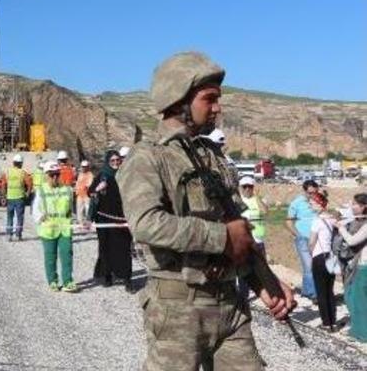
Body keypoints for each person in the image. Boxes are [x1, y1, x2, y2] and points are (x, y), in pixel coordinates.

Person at [117, 52, 295, 370]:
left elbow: (238, 230)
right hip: (177, 311)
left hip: (229, 304)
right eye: (209, 98)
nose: (217, 107)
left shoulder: (212, 157)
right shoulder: (147, 158)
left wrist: (265, 283)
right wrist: (219, 237)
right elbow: (145, 223)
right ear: (178, 99)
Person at [88, 150, 133, 292]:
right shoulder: (103, 175)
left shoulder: (126, 175)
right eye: (112, 161)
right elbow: (90, 192)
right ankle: (107, 275)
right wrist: (98, 188)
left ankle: (127, 279)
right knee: (105, 247)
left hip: (121, 218)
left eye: (118, 160)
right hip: (104, 218)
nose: (115, 163)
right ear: (108, 162)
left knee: (124, 248)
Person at [32, 161, 77, 293]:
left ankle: (68, 281)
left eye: (57, 174)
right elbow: (35, 210)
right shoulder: (41, 191)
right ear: (46, 175)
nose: (55, 177)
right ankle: (53, 281)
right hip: (48, 229)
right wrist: (40, 218)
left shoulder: (67, 190)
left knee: (66, 254)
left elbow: (70, 209)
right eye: (52, 175)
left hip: (64, 228)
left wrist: (75, 220)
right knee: (50, 257)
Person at [337, 193, 367, 342]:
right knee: (355, 298)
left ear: (363, 207)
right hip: (361, 266)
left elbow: (352, 241)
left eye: (354, 204)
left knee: (357, 300)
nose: (352, 206)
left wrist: (341, 228)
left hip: (363, 267)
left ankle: (362, 334)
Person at [308, 193, 338, 332]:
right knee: (330, 291)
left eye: (312, 203)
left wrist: (310, 252)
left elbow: (311, 242)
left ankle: (326, 323)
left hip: (319, 257)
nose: (310, 205)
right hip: (331, 257)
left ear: (320, 204)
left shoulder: (317, 221)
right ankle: (334, 322)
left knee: (321, 291)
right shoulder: (333, 219)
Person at [286, 179, 321, 301]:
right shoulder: (296, 203)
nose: (313, 195)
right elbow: (289, 221)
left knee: (316, 265)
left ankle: (307, 290)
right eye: (310, 193)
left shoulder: (318, 202)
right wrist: (298, 235)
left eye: (315, 192)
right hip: (303, 238)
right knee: (309, 266)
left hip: (317, 238)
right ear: (304, 191)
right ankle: (314, 294)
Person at [237, 176, 268, 299]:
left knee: (262, 269)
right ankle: (243, 296)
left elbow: (265, 212)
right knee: (244, 270)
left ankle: (264, 293)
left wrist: (257, 197)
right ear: (240, 188)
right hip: (244, 242)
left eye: (250, 186)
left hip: (258, 240)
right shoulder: (237, 201)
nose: (247, 189)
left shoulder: (257, 200)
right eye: (245, 186)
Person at [2, 154, 30, 241]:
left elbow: (3, 185)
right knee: (19, 217)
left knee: (10, 217)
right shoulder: (23, 173)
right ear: (21, 163)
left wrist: (4, 196)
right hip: (20, 198)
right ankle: (18, 235)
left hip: (10, 198)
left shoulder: (8, 172)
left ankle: (9, 235)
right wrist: (27, 193)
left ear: (13, 163)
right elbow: (29, 183)